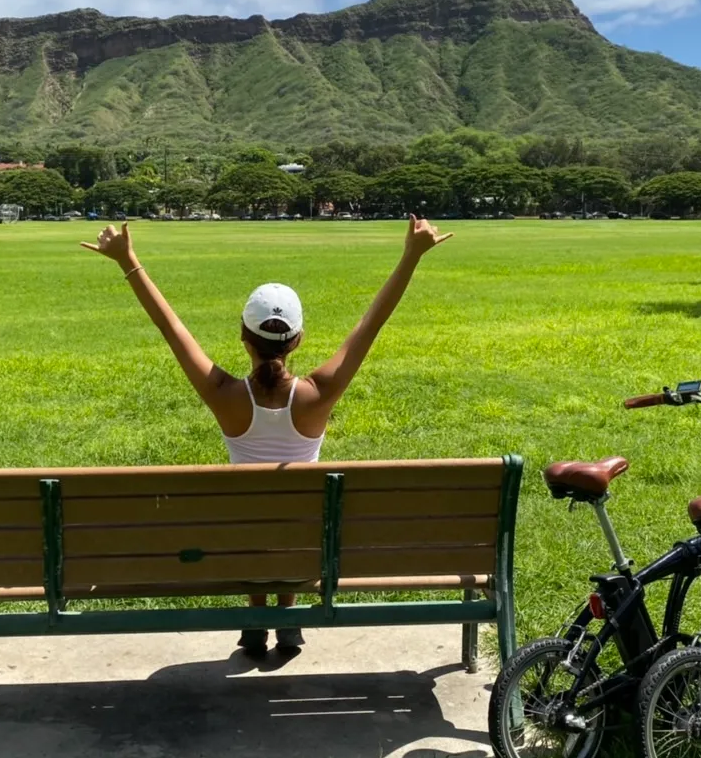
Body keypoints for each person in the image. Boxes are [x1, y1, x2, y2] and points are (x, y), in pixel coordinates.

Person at [83, 214, 453, 656]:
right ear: (297, 340)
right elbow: (369, 327)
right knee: (295, 520)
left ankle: (256, 620)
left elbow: (172, 329)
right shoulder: (319, 394)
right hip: (306, 550)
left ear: (244, 336)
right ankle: (288, 621)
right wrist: (411, 256)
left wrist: (129, 261)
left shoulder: (224, 395)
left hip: (239, 548)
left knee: (249, 519)